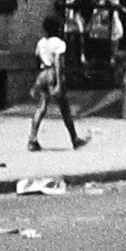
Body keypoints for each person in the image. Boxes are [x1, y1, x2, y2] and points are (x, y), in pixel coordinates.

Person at [27, 14, 87, 152]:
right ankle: (75, 139)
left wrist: (36, 82)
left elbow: (37, 60)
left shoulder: (41, 42)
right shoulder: (59, 44)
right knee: (65, 109)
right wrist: (59, 83)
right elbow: (58, 64)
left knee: (41, 107)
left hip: (42, 74)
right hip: (52, 74)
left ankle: (32, 138)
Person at [87, 0, 122, 78]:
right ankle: (103, 61)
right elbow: (110, 1)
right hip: (102, 17)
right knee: (103, 37)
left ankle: (106, 60)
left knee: (107, 37)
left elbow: (112, 1)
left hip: (104, 17)